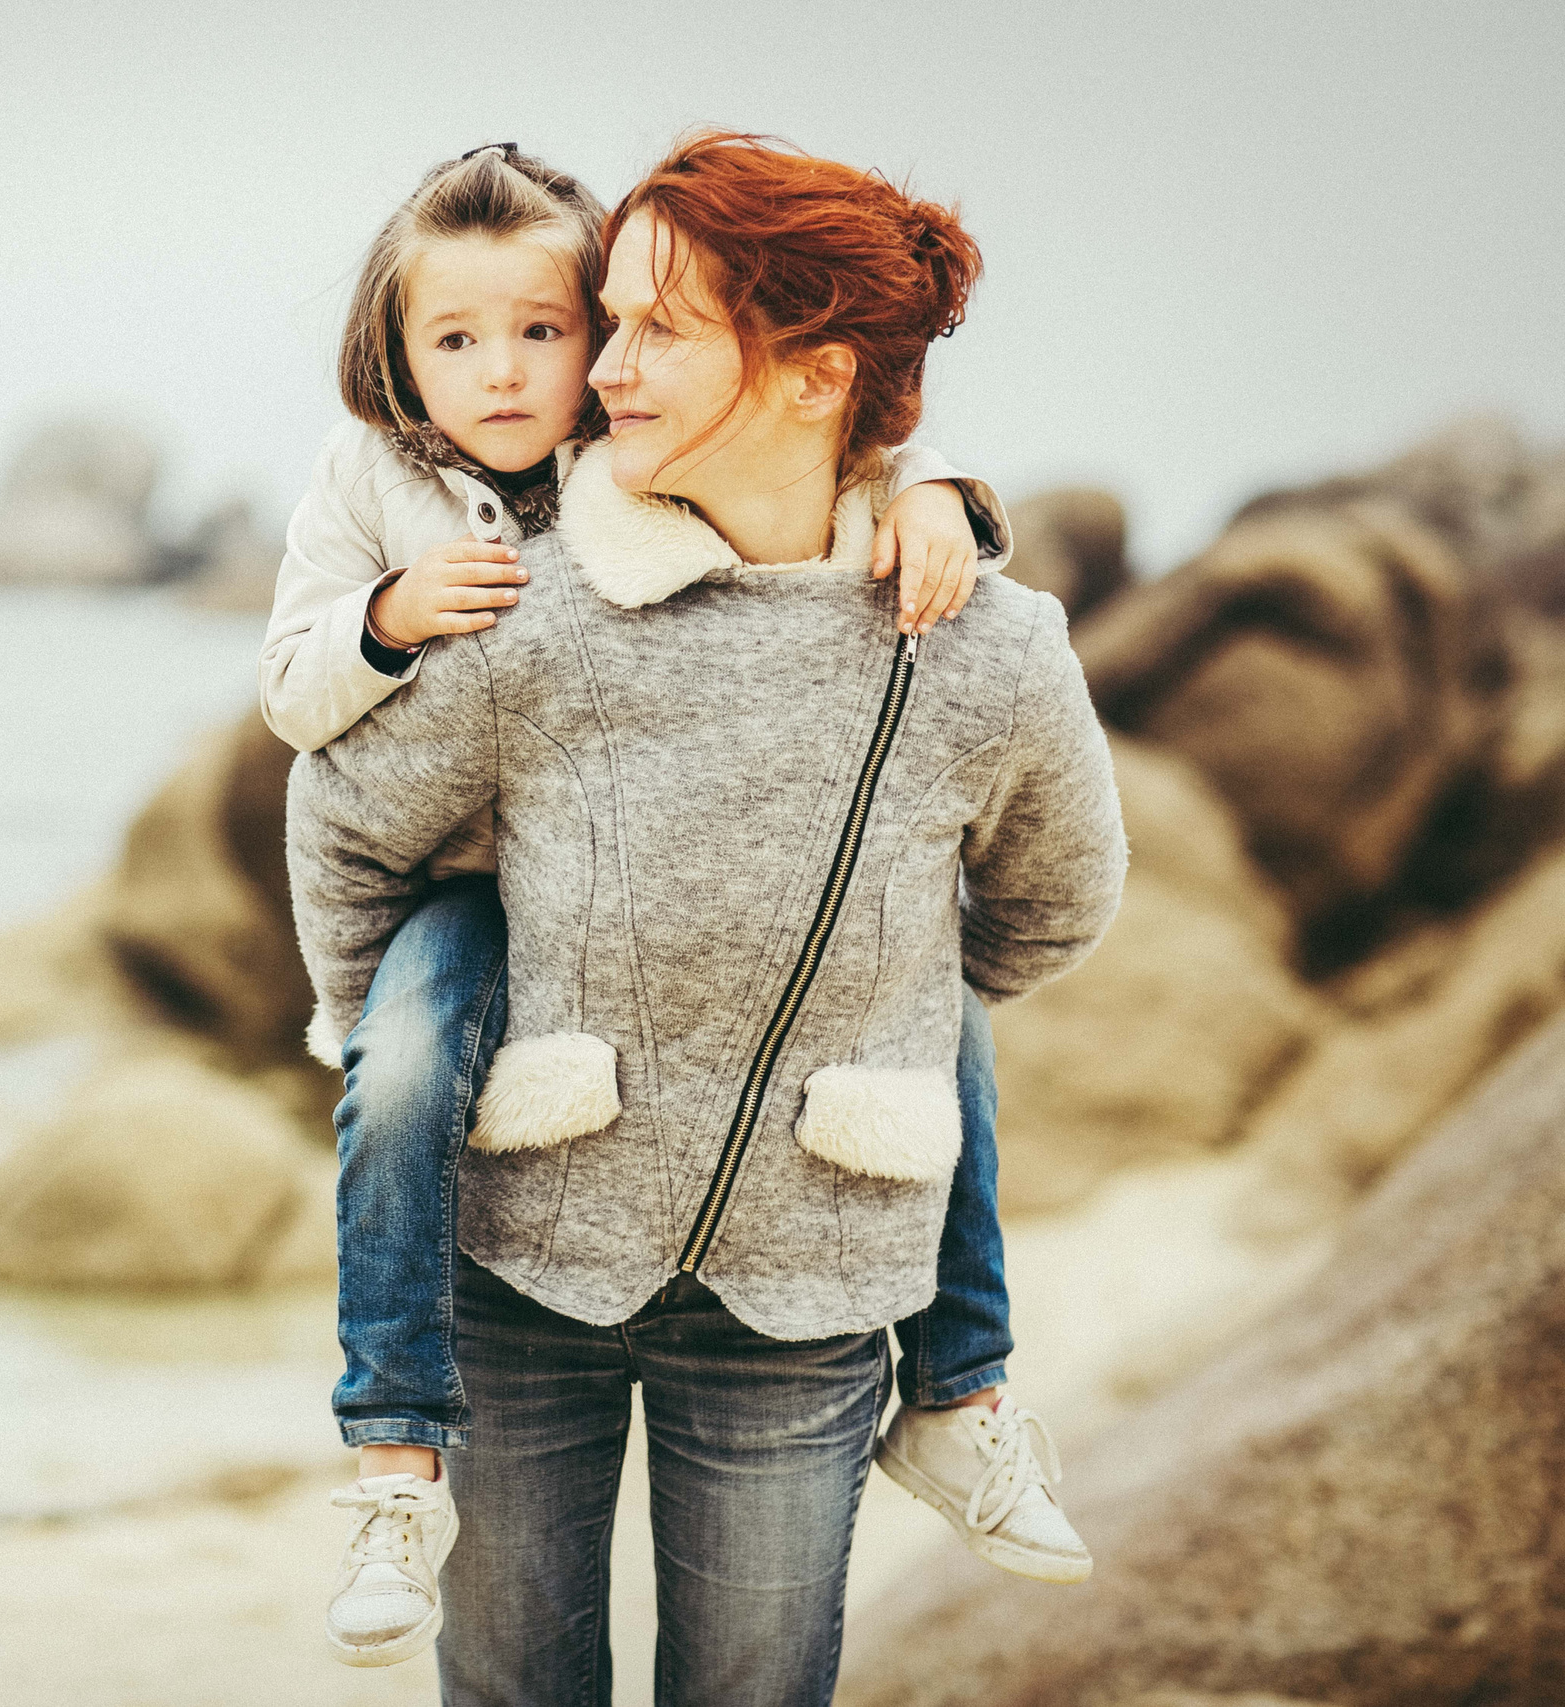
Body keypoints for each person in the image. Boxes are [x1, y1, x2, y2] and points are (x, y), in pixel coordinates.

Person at [284, 128, 1128, 1703]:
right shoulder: (525, 607)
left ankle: (966, 1398)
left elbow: (1048, 909)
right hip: (524, 1267)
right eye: (603, 318)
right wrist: (421, 1050)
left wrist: (883, 1032)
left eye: (652, 328)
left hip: (808, 1294)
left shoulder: (987, 648)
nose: (598, 366)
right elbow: (347, 834)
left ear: (813, 373)